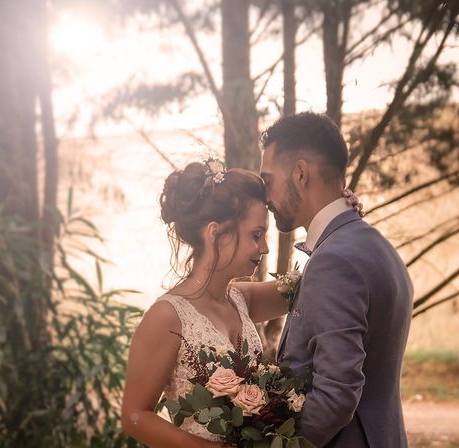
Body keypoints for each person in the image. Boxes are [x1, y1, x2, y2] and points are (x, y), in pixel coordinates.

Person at [121, 159, 360, 447]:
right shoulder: (166, 317)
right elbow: (134, 415)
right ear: (216, 234)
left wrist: (339, 218)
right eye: (256, 235)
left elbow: (317, 283)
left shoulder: (241, 299)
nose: (265, 247)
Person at [260, 112, 413, 447]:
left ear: (300, 173)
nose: (266, 197)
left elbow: (336, 396)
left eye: (267, 180)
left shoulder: (335, 261)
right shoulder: (376, 246)